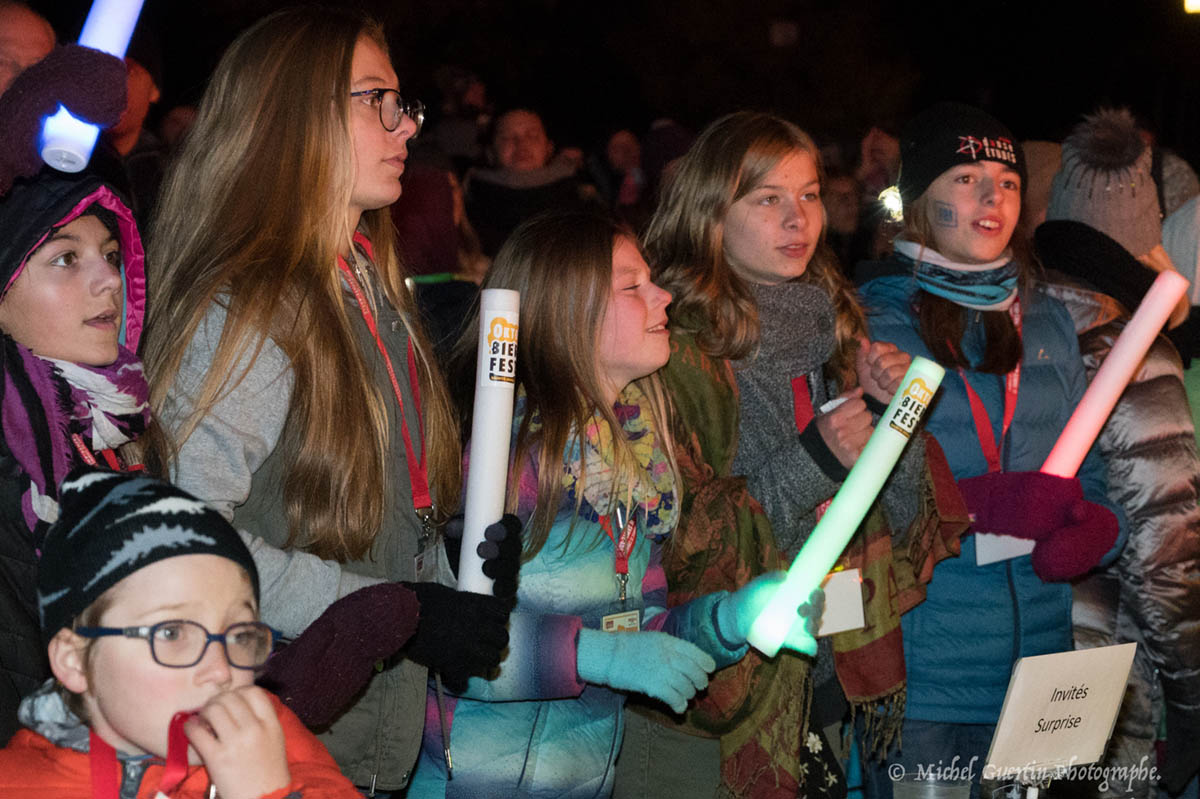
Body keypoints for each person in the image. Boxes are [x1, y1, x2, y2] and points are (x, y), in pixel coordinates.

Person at [140, 9, 515, 794]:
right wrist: (399, 608)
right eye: (378, 98)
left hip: (363, 741)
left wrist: (452, 573)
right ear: (291, 116)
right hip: (274, 749)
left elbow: (371, 518)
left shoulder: (369, 288)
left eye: (404, 102)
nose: (407, 126)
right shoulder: (248, 308)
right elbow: (190, 543)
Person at [408, 210, 822, 798]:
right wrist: (599, 658)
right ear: (567, 314)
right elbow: (459, 653)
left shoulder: (634, 461)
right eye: (633, 286)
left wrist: (729, 620)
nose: (662, 297)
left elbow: (633, 632)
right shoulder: (512, 459)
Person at [627, 110, 968, 799]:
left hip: (829, 673)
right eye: (768, 198)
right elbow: (675, 542)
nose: (798, 218)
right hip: (720, 695)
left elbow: (898, 521)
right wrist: (814, 456)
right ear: (709, 213)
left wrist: (887, 416)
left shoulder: (835, 327)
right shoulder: (670, 351)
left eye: (810, 194)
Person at [855, 102, 1126, 798]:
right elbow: (846, 507)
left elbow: (1086, 472)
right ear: (921, 199)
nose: (992, 197)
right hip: (926, 678)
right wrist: (977, 507)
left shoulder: (1047, 319)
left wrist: (1098, 525)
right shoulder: (872, 324)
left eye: (1006, 182)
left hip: (1038, 667)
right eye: (966, 177)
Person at [0, 468, 360, 797]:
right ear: (75, 661)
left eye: (239, 635)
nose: (221, 671)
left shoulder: (271, 736)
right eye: (172, 633)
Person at [464, 108, 597, 256]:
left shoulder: (582, 201)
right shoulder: (468, 208)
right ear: (490, 152)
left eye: (532, 136)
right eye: (507, 137)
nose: (521, 143)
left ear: (549, 148)